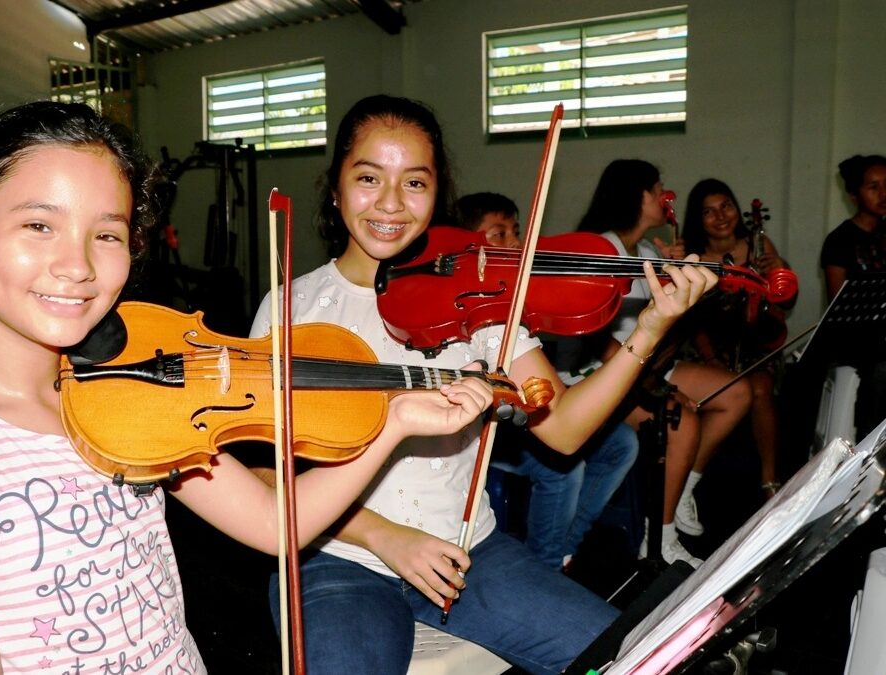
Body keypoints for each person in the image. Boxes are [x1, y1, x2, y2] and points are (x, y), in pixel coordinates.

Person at [0, 101, 498, 674]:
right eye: (39, 226)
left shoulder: (131, 392)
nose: (78, 265)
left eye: (105, 234)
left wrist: (395, 423)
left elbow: (275, 525)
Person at [250, 96, 716, 674]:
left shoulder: (478, 301)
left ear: (435, 193)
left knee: (637, 661)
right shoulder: (291, 306)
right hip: (335, 557)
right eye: (369, 177)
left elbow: (565, 430)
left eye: (414, 182)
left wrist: (647, 331)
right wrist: (384, 536)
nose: (391, 203)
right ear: (337, 188)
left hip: (467, 552)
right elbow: (265, 472)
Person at [576, 160, 752, 563]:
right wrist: (654, 390)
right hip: (609, 373)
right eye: (658, 190)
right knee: (682, 418)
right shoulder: (604, 248)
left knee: (736, 392)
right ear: (638, 197)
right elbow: (595, 338)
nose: (664, 196)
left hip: (649, 364)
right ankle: (660, 536)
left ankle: (683, 487)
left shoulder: (651, 249)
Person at [455, 191, 640, 571]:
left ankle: (566, 545)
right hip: (484, 424)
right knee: (562, 466)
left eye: (516, 232)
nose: (516, 244)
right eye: (499, 234)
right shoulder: (464, 301)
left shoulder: (513, 290)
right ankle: (546, 565)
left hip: (523, 409)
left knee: (622, 441)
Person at [681, 178, 790, 498]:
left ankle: (769, 479)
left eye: (726, 206)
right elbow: (691, 322)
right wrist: (713, 359)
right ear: (697, 219)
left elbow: (783, 305)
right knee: (716, 385)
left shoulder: (759, 246)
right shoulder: (694, 258)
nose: (721, 216)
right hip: (705, 348)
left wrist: (779, 272)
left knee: (760, 387)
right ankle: (691, 479)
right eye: (708, 212)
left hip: (756, 346)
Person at [820, 154, 886, 438]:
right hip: (857, 337)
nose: (884, 194)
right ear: (854, 194)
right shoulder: (839, 240)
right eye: (873, 187)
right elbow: (839, 305)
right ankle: (870, 448)